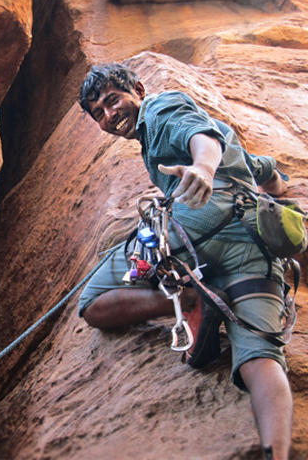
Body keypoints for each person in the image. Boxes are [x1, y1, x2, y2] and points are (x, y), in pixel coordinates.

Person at [77, 62, 292, 460]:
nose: (109, 115)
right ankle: (277, 454)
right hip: (252, 247)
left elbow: (199, 136)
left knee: (92, 304)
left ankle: (189, 299)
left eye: (113, 100)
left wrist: (203, 170)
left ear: (138, 89)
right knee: (260, 357)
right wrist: (274, 189)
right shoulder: (211, 136)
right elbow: (268, 173)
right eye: (99, 113)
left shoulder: (160, 107)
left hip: (194, 229)